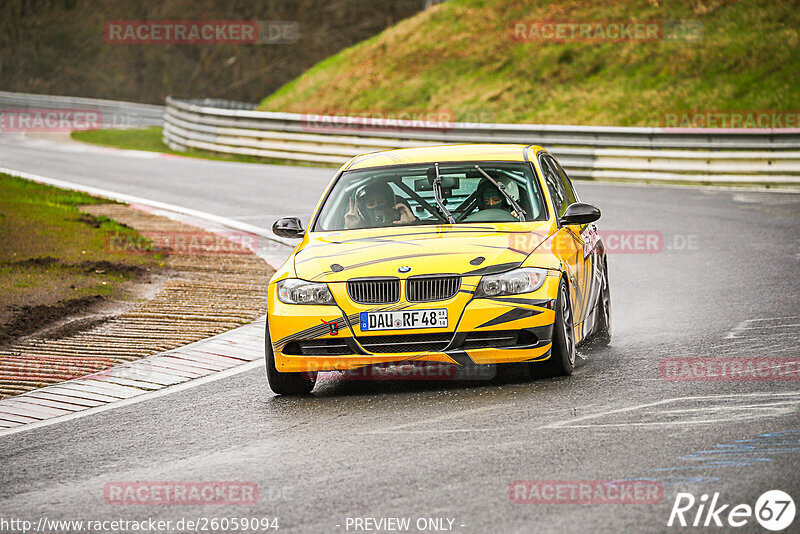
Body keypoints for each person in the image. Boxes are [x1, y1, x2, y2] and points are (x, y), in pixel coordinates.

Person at [344, 182, 416, 229]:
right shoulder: (362, 230)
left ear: (390, 203)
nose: (377, 206)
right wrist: (352, 228)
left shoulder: (402, 224)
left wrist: (412, 223)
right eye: (371, 204)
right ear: (364, 210)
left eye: (381, 201)